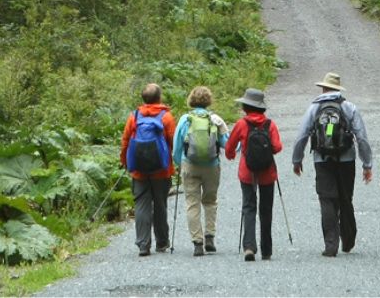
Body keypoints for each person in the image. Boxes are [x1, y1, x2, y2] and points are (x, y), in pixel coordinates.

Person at [291, 72, 373, 257]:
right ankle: (348, 240)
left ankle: (331, 245)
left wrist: (297, 160)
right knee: (346, 198)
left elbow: (302, 135)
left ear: (323, 88)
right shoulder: (349, 107)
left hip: (322, 160)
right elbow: (361, 137)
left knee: (327, 199)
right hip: (346, 159)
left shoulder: (314, 109)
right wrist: (367, 164)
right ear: (337, 89)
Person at [119, 82, 178, 257]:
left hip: (139, 170)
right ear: (159, 98)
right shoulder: (166, 117)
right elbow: (172, 141)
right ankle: (162, 242)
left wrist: (124, 161)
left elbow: (125, 141)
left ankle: (143, 245)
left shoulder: (134, 117)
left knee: (141, 205)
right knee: (160, 204)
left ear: (143, 99)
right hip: (161, 170)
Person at [225, 88, 283, 262]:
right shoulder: (270, 124)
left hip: (247, 173)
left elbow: (229, 147)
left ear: (245, 107)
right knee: (266, 210)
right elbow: (278, 147)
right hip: (267, 173)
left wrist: (231, 155)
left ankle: (249, 247)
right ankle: (267, 250)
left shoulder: (242, 124)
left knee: (249, 207)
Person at [173, 85, 230, 256]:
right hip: (211, 166)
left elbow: (176, 145)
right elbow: (227, 144)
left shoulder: (185, 120)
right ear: (209, 101)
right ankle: (210, 236)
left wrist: (179, 163)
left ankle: (197, 242)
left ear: (191, 100)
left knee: (192, 203)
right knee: (210, 201)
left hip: (189, 164)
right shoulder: (215, 119)